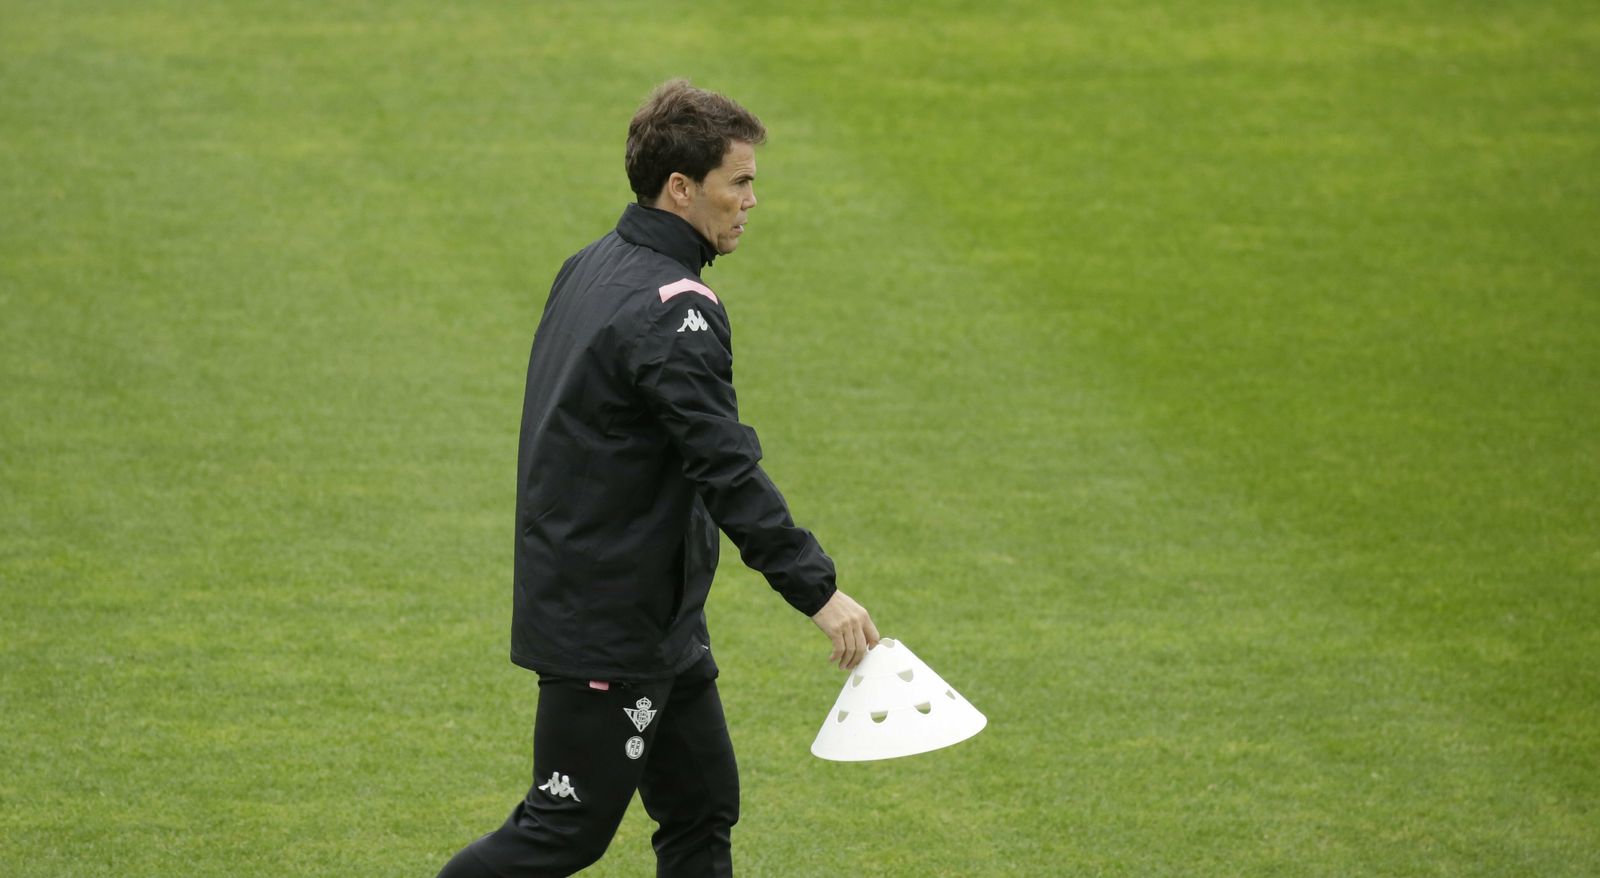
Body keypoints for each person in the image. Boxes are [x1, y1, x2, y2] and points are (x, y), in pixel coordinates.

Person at [436, 80, 879, 878]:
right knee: (560, 831)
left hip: (649, 615)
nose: (752, 201)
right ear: (681, 187)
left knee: (700, 808)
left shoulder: (591, 266)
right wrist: (819, 592)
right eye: (738, 182)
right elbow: (726, 469)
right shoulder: (676, 310)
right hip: (610, 622)